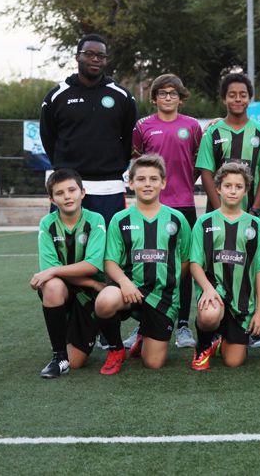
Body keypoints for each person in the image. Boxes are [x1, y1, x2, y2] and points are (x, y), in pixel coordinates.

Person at [94, 154, 191, 375]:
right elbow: (110, 261)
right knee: (105, 301)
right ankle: (116, 349)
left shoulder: (177, 219)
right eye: (141, 179)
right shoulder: (120, 219)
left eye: (153, 179)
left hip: (163, 297)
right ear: (131, 183)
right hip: (130, 290)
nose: (147, 184)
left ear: (163, 183)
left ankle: (144, 334)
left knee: (153, 363)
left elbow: (185, 261)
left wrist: (168, 283)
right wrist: (124, 282)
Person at [130, 73, 202, 349]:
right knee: (148, 263)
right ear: (154, 98)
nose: (168, 97)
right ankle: (143, 324)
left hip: (183, 204)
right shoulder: (142, 126)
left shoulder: (192, 126)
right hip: (149, 207)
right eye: (163, 93)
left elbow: (198, 162)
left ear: (181, 98)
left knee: (184, 266)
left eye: (173, 93)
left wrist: (184, 183)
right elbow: (137, 164)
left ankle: (182, 324)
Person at [40, 33, 137, 226]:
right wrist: (66, 168)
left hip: (109, 188)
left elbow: (129, 138)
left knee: (110, 243)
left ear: (106, 60)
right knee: (67, 244)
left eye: (101, 56)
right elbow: (48, 137)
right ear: (77, 57)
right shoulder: (57, 96)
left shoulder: (122, 96)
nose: (95, 59)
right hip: (68, 186)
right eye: (89, 54)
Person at [189, 162, 260, 370]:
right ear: (218, 188)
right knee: (209, 315)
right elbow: (195, 264)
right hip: (214, 293)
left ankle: (220, 341)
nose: (233, 191)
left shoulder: (255, 225)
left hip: (242, 303)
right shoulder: (204, 222)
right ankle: (203, 345)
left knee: (234, 362)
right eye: (228, 186)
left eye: (238, 186)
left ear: (246, 190)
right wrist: (208, 289)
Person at [31, 169, 107, 378]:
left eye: (72, 190)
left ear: (83, 192)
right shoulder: (47, 223)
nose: (67, 196)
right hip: (66, 290)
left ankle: (92, 328)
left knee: (77, 362)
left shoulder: (96, 219)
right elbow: (49, 274)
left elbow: (92, 265)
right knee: (52, 285)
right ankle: (59, 357)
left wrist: (54, 270)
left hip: (89, 296)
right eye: (59, 193)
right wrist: (92, 283)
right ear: (51, 199)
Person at [196, 73, 260, 217]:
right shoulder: (212, 132)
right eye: (232, 95)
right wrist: (220, 211)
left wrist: (255, 209)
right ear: (224, 99)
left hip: (251, 214)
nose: (238, 99)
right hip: (217, 215)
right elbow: (206, 173)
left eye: (243, 95)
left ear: (249, 98)